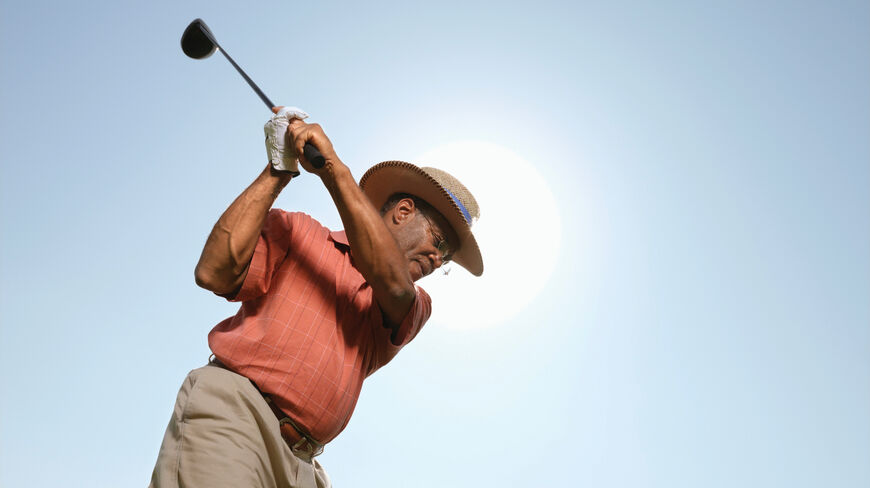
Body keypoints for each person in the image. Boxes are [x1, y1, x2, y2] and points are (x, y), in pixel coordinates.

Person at [149, 107, 483, 488]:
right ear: (403, 212)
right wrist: (279, 169)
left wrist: (332, 168)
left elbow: (390, 283)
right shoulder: (300, 231)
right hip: (236, 415)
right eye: (438, 243)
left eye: (447, 258)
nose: (438, 259)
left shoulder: (415, 304)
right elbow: (213, 272)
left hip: (306, 464)